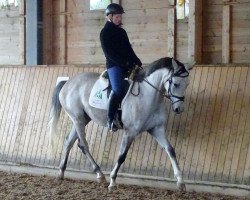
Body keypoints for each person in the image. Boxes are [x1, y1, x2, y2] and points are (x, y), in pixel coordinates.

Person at [100, 3, 142, 132]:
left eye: (120, 17)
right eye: (117, 17)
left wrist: (137, 61)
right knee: (118, 89)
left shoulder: (122, 31)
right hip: (114, 66)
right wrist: (125, 63)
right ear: (110, 16)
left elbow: (129, 49)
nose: (120, 19)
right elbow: (109, 54)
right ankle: (110, 118)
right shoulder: (105, 33)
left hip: (126, 64)